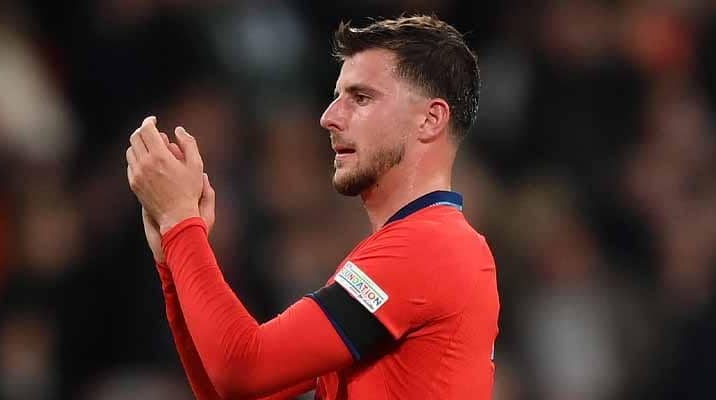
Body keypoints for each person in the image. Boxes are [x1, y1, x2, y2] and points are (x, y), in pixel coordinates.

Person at [125, 15, 499, 400]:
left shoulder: (430, 247)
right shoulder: (412, 251)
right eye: (337, 97)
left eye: (361, 98)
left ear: (430, 119)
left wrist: (181, 224)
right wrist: (175, 253)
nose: (329, 117)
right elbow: (233, 391)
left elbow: (243, 368)